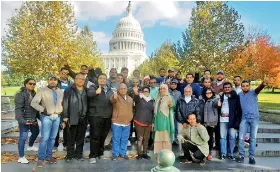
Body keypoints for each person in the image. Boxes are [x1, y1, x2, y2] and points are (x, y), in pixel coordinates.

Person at [31, 74, 63, 168]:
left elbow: (62, 103)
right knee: (45, 138)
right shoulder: (42, 90)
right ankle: (40, 159)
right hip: (47, 117)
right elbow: (33, 102)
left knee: (52, 138)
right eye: (51, 80)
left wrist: (61, 112)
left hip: (57, 117)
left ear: (57, 81)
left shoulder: (60, 91)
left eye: (55, 80)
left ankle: (49, 157)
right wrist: (42, 109)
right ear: (48, 81)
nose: (53, 81)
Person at [237, 80, 267, 164]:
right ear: (241, 87)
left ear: (249, 86)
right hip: (244, 119)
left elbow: (259, 89)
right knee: (241, 137)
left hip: (254, 118)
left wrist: (263, 84)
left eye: (247, 86)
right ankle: (241, 155)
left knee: (253, 138)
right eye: (243, 86)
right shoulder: (239, 95)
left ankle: (251, 157)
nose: (245, 87)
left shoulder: (253, 93)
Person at [87, 73, 114, 164]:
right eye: (100, 78)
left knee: (103, 137)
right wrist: (96, 92)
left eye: (104, 78)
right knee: (95, 137)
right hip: (95, 116)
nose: (102, 80)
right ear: (98, 80)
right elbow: (89, 95)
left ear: (106, 80)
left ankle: (100, 153)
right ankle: (92, 155)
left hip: (107, 117)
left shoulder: (110, 90)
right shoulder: (93, 87)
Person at [63, 74, 88, 162]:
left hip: (83, 118)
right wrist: (65, 116)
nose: (81, 80)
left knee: (80, 138)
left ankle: (79, 155)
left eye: (83, 79)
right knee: (71, 138)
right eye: (79, 79)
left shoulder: (86, 90)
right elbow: (65, 103)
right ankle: (69, 155)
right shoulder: (69, 90)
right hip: (72, 117)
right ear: (75, 80)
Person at [15, 78, 40, 164]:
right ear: (26, 84)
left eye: (34, 84)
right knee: (23, 137)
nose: (32, 85)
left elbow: (35, 108)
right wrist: (22, 121)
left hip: (33, 119)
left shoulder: (34, 94)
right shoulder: (20, 95)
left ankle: (30, 145)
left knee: (36, 132)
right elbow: (18, 109)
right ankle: (21, 157)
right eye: (30, 83)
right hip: (24, 120)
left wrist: (41, 118)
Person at [110, 83, 134, 161]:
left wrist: (131, 117)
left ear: (126, 89)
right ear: (118, 89)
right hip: (117, 122)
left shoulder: (130, 99)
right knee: (116, 139)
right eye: (121, 89)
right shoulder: (115, 97)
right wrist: (114, 96)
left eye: (124, 88)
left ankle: (123, 153)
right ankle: (115, 154)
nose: (123, 90)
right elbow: (112, 100)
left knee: (125, 139)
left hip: (127, 123)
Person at [53, 67, 74, 152]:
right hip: (57, 107)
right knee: (56, 126)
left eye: (66, 73)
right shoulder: (55, 82)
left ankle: (66, 144)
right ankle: (55, 144)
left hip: (67, 107)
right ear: (60, 73)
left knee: (67, 127)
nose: (65, 74)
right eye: (63, 73)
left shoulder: (71, 83)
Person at [220, 82, 241, 161]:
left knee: (232, 138)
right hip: (222, 121)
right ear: (223, 88)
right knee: (223, 137)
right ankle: (223, 153)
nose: (227, 88)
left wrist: (237, 121)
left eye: (228, 87)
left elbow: (239, 110)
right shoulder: (221, 97)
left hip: (232, 120)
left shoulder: (235, 97)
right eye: (225, 87)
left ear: (231, 88)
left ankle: (231, 154)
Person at [153, 84, 175, 155]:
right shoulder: (157, 98)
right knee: (158, 136)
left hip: (166, 120)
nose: (162, 90)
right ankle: (158, 152)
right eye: (161, 89)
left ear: (166, 89)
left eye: (164, 88)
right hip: (157, 120)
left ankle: (167, 152)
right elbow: (154, 112)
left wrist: (171, 104)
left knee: (166, 137)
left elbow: (173, 106)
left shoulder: (170, 97)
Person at [133, 86, 154, 160]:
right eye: (144, 91)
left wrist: (152, 122)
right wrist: (136, 93)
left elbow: (153, 112)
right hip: (139, 121)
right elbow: (135, 98)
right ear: (142, 92)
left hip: (148, 122)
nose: (146, 92)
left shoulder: (152, 100)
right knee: (140, 138)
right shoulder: (139, 98)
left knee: (146, 138)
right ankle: (139, 154)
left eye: (147, 91)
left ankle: (145, 153)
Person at [201, 88, 221, 160]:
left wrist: (218, 98)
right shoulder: (203, 100)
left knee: (210, 138)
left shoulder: (214, 100)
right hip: (204, 122)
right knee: (204, 138)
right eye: (207, 93)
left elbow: (218, 104)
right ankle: (204, 152)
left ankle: (209, 153)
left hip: (211, 122)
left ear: (212, 93)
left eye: (210, 93)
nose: (208, 94)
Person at [168, 80, 182, 145]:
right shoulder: (168, 92)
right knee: (169, 126)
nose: (173, 85)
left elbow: (180, 103)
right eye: (172, 84)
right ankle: (169, 139)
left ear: (176, 85)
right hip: (168, 112)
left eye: (175, 84)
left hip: (175, 111)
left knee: (176, 126)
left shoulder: (179, 93)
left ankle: (176, 139)